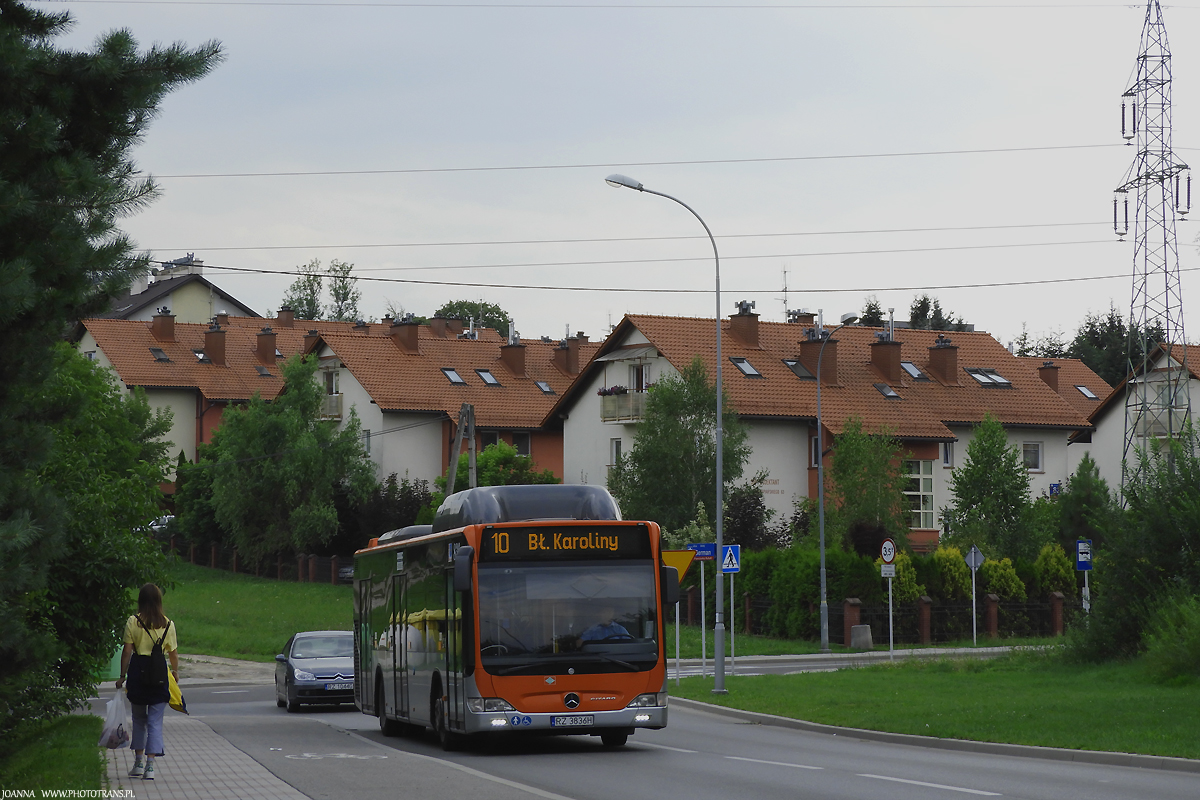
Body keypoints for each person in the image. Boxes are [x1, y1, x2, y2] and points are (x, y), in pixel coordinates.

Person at [115, 584, 179, 781]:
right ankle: (151, 767)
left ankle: (138, 763)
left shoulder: (133, 622)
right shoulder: (168, 624)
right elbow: (173, 653)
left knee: (139, 720)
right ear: (159, 600)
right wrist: (175, 672)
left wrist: (122, 675)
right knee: (155, 722)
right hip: (159, 674)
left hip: (138, 674)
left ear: (140, 600)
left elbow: (127, 651)